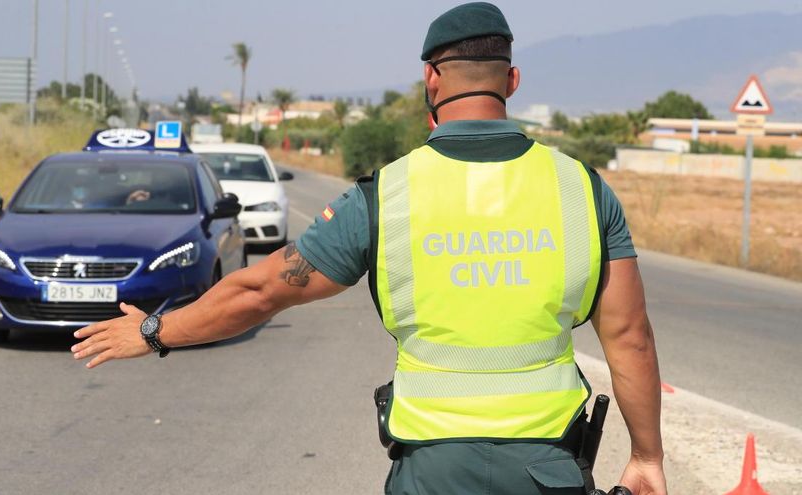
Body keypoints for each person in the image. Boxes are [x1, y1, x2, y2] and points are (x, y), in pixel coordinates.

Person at [70, 3, 667, 494]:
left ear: (431, 79)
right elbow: (629, 336)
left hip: (431, 475)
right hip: (549, 473)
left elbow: (258, 291)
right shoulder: (582, 190)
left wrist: (154, 332)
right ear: (512, 81)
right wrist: (646, 456)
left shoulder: (388, 196)